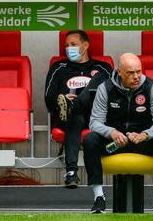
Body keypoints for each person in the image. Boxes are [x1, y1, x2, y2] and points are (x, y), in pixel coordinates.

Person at [83, 53, 153, 214]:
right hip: (115, 143)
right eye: (130, 73)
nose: (136, 76)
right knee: (90, 139)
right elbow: (95, 123)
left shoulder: (152, 87)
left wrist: (145, 135)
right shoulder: (105, 88)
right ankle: (99, 198)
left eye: (138, 71)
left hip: (141, 142)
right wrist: (111, 132)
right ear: (119, 72)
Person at [45, 30, 113, 188]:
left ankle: (72, 105)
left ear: (85, 45)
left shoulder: (102, 68)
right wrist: (61, 98)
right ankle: (71, 172)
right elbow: (49, 98)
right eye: (67, 46)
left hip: (97, 116)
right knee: (74, 117)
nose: (69, 48)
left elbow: (114, 94)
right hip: (67, 118)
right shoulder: (58, 67)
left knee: (100, 78)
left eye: (73, 44)